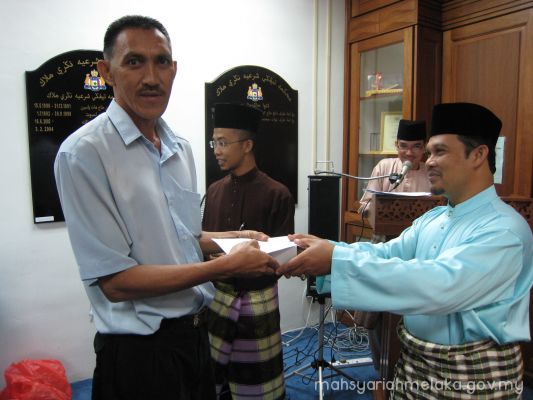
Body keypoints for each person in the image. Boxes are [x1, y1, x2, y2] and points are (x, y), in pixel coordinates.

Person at [54, 16, 278, 400]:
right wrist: (226, 266)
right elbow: (116, 283)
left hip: (195, 337)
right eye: (134, 61)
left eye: (161, 62)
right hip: (141, 354)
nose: (151, 78)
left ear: (174, 69)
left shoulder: (180, 148)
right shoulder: (84, 154)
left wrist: (235, 238)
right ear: (106, 72)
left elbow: (183, 239)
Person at [278, 102, 533, 398]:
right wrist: (329, 250)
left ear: (478, 155)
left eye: (439, 151)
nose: (429, 161)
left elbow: (437, 284)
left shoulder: (505, 231)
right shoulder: (433, 218)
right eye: (430, 152)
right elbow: (388, 254)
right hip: (415, 364)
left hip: (473, 377)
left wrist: (334, 259)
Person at [202, 102, 295, 400]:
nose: (216, 150)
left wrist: (244, 264)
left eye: (223, 142)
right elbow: (204, 246)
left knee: (259, 386)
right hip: (217, 299)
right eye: (214, 142)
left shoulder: (277, 194)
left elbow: (281, 259)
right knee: (214, 382)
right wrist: (221, 262)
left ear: (247, 145)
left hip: (257, 303)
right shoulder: (214, 191)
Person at [358, 119, 430, 222]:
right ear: (397, 145)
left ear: (424, 147)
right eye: (403, 146)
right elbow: (366, 203)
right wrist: (370, 208)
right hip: (384, 229)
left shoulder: (430, 172)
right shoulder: (384, 166)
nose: (409, 153)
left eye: (416, 146)